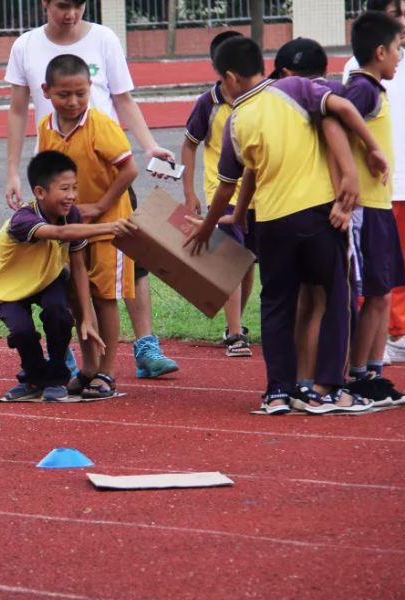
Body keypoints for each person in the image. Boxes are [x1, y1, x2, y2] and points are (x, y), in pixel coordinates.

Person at [185, 36, 385, 415]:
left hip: (272, 223)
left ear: (229, 77)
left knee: (276, 303)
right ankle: (328, 388)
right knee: (335, 297)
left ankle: (278, 390)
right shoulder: (294, 87)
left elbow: (234, 182)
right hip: (317, 215)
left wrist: (216, 222)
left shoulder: (237, 119)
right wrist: (372, 146)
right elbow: (340, 105)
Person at [4, 0, 178, 379]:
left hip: (108, 175)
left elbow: (123, 99)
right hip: (60, 181)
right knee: (66, 276)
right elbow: (18, 110)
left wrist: (149, 146)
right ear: (45, 4)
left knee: (124, 274)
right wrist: (13, 172)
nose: (71, 13)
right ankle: (70, 359)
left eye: (79, 5)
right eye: (63, 5)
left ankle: (140, 348)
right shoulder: (26, 47)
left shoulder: (103, 38)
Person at [0, 150, 141, 400]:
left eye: (74, 188)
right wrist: (110, 226)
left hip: (49, 279)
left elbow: (78, 266)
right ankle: (34, 378)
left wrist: (87, 317)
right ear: (40, 192)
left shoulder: (72, 214)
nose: (72, 196)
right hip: (10, 286)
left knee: (58, 313)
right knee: (22, 331)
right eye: (64, 189)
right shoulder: (23, 219)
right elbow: (60, 234)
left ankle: (58, 376)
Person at [35, 54, 138, 398]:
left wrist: (101, 206)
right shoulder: (46, 128)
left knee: (105, 297)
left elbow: (129, 169)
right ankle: (88, 367)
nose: (74, 102)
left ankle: (106, 372)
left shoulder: (100, 124)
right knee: (78, 298)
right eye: (65, 95)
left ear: (90, 89)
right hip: (72, 231)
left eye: (81, 93)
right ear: (46, 91)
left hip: (109, 228)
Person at [266, 38, 345, 393]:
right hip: (324, 208)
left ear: (284, 74)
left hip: (278, 213)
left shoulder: (274, 106)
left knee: (297, 299)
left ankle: (294, 381)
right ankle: (318, 383)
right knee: (324, 300)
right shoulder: (329, 101)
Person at [344, 0, 405, 363]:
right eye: (395, 14)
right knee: (370, 270)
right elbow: (340, 123)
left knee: (400, 265)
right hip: (372, 191)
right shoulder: (359, 75)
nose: (404, 22)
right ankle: (366, 342)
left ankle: (397, 335)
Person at [182, 30, 256, 358]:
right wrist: (189, 193)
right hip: (222, 196)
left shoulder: (257, 99)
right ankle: (236, 333)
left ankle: (235, 323)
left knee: (248, 262)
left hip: (259, 198)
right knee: (229, 262)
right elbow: (189, 144)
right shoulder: (207, 104)